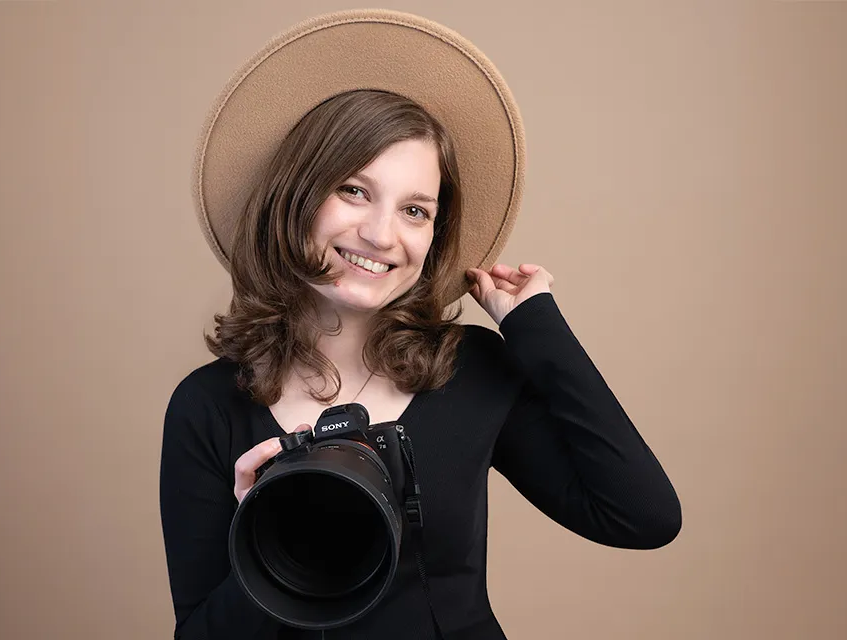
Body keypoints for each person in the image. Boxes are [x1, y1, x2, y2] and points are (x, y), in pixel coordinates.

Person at [160, 10, 680, 640]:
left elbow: (644, 517)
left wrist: (537, 329)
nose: (382, 235)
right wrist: (263, 542)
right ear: (296, 196)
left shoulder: (473, 371)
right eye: (353, 191)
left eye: (415, 210)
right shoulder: (206, 406)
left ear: (434, 235)